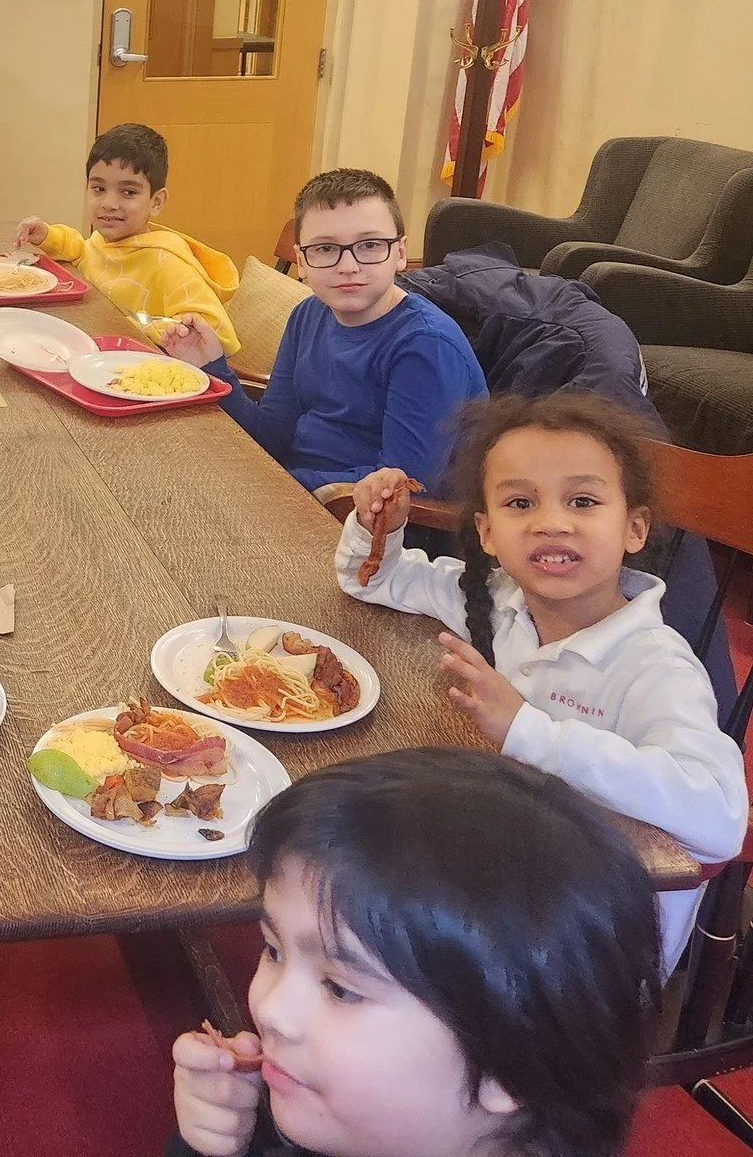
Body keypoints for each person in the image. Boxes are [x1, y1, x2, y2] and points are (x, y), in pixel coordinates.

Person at [338, 391, 747, 976]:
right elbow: (374, 581)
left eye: (582, 501)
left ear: (634, 528)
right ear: (487, 532)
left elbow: (721, 818)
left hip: (590, 953)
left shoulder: (655, 665)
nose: (551, 522)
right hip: (502, 873)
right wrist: (379, 527)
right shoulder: (497, 599)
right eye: (520, 502)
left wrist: (530, 731)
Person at [168, 748, 663, 1157]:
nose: (269, 1009)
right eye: (272, 949)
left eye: (341, 988)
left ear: (511, 1063)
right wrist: (221, 1137)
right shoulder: (344, 1125)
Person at [161, 169, 486, 493]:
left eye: (370, 245)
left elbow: (406, 484)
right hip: (296, 490)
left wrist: (270, 484)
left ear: (399, 253)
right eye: (326, 249)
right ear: (302, 262)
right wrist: (212, 368)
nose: (348, 266)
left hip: (367, 521)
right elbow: (275, 435)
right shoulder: (307, 315)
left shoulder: (427, 345)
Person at [15, 123, 241, 354]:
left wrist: (144, 330)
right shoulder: (105, 241)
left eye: (128, 192)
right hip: (92, 352)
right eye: (98, 189)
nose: (109, 204)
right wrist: (47, 235)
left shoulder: (167, 263)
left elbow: (216, 332)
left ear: (156, 202)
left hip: (142, 373)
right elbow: (81, 250)